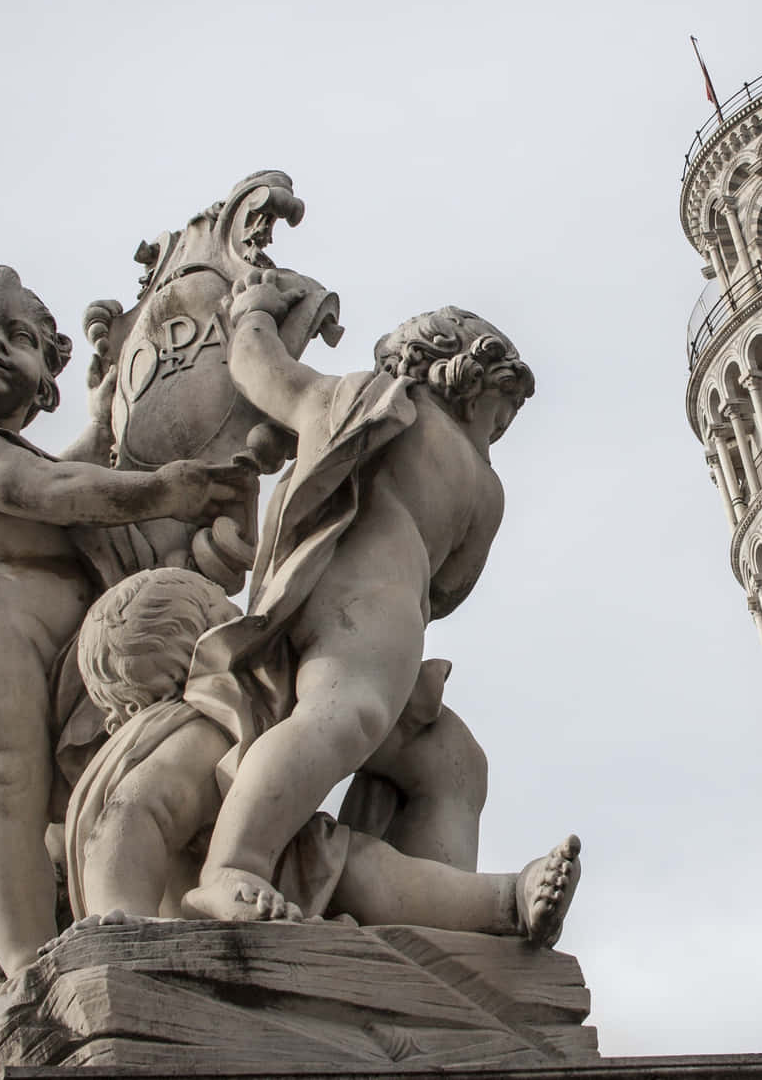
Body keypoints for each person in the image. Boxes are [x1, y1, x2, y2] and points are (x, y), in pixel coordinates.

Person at [0, 266, 255, 978]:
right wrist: (162, 490)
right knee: (8, 788)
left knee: (54, 807)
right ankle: (22, 962)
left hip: (68, 647)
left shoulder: (8, 450)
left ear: (44, 379)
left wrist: (103, 417)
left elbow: (59, 470)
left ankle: (80, 915)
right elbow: (54, 491)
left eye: (21, 338)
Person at [177, 271, 534, 923]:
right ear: (468, 377)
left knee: (452, 763)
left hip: (352, 604)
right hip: (374, 604)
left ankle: (432, 916)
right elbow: (452, 584)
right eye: (500, 415)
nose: (499, 432)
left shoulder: (352, 402)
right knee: (344, 714)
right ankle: (236, 863)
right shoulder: (469, 472)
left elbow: (261, 367)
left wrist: (255, 309)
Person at [63, 567, 577, 943]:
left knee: (370, 870)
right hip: (206, 896)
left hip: (288, 863)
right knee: (367, 871)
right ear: (206, 643)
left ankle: (510, 898)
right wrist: (120, 913)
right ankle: (507, 901)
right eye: (226, 612)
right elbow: (132, 814)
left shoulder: (239, 714)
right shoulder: (197, 727)